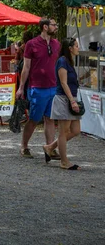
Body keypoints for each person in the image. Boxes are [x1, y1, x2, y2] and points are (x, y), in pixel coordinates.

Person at [16, 17, 60, 158]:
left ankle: (50, 147)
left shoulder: (56, 44)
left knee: (50, 119)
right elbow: (26, 67)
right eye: (54, 25)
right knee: (34, 119)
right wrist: (21, 87)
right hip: (37, 88)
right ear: (45, 27)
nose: (56, 27)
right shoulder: (31, 44)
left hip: (53, 86)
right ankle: (24, 146)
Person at [42, 38, 82, 169]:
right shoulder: (62, 61)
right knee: (63, 132)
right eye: (76, 46)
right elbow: (63, 83)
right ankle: (64, 161)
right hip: (64, 99)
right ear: (70, 48)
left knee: (76, 130)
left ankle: (50, 147)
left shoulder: (69, 62)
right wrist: (72, 101)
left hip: (71, 98)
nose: (78, 48)